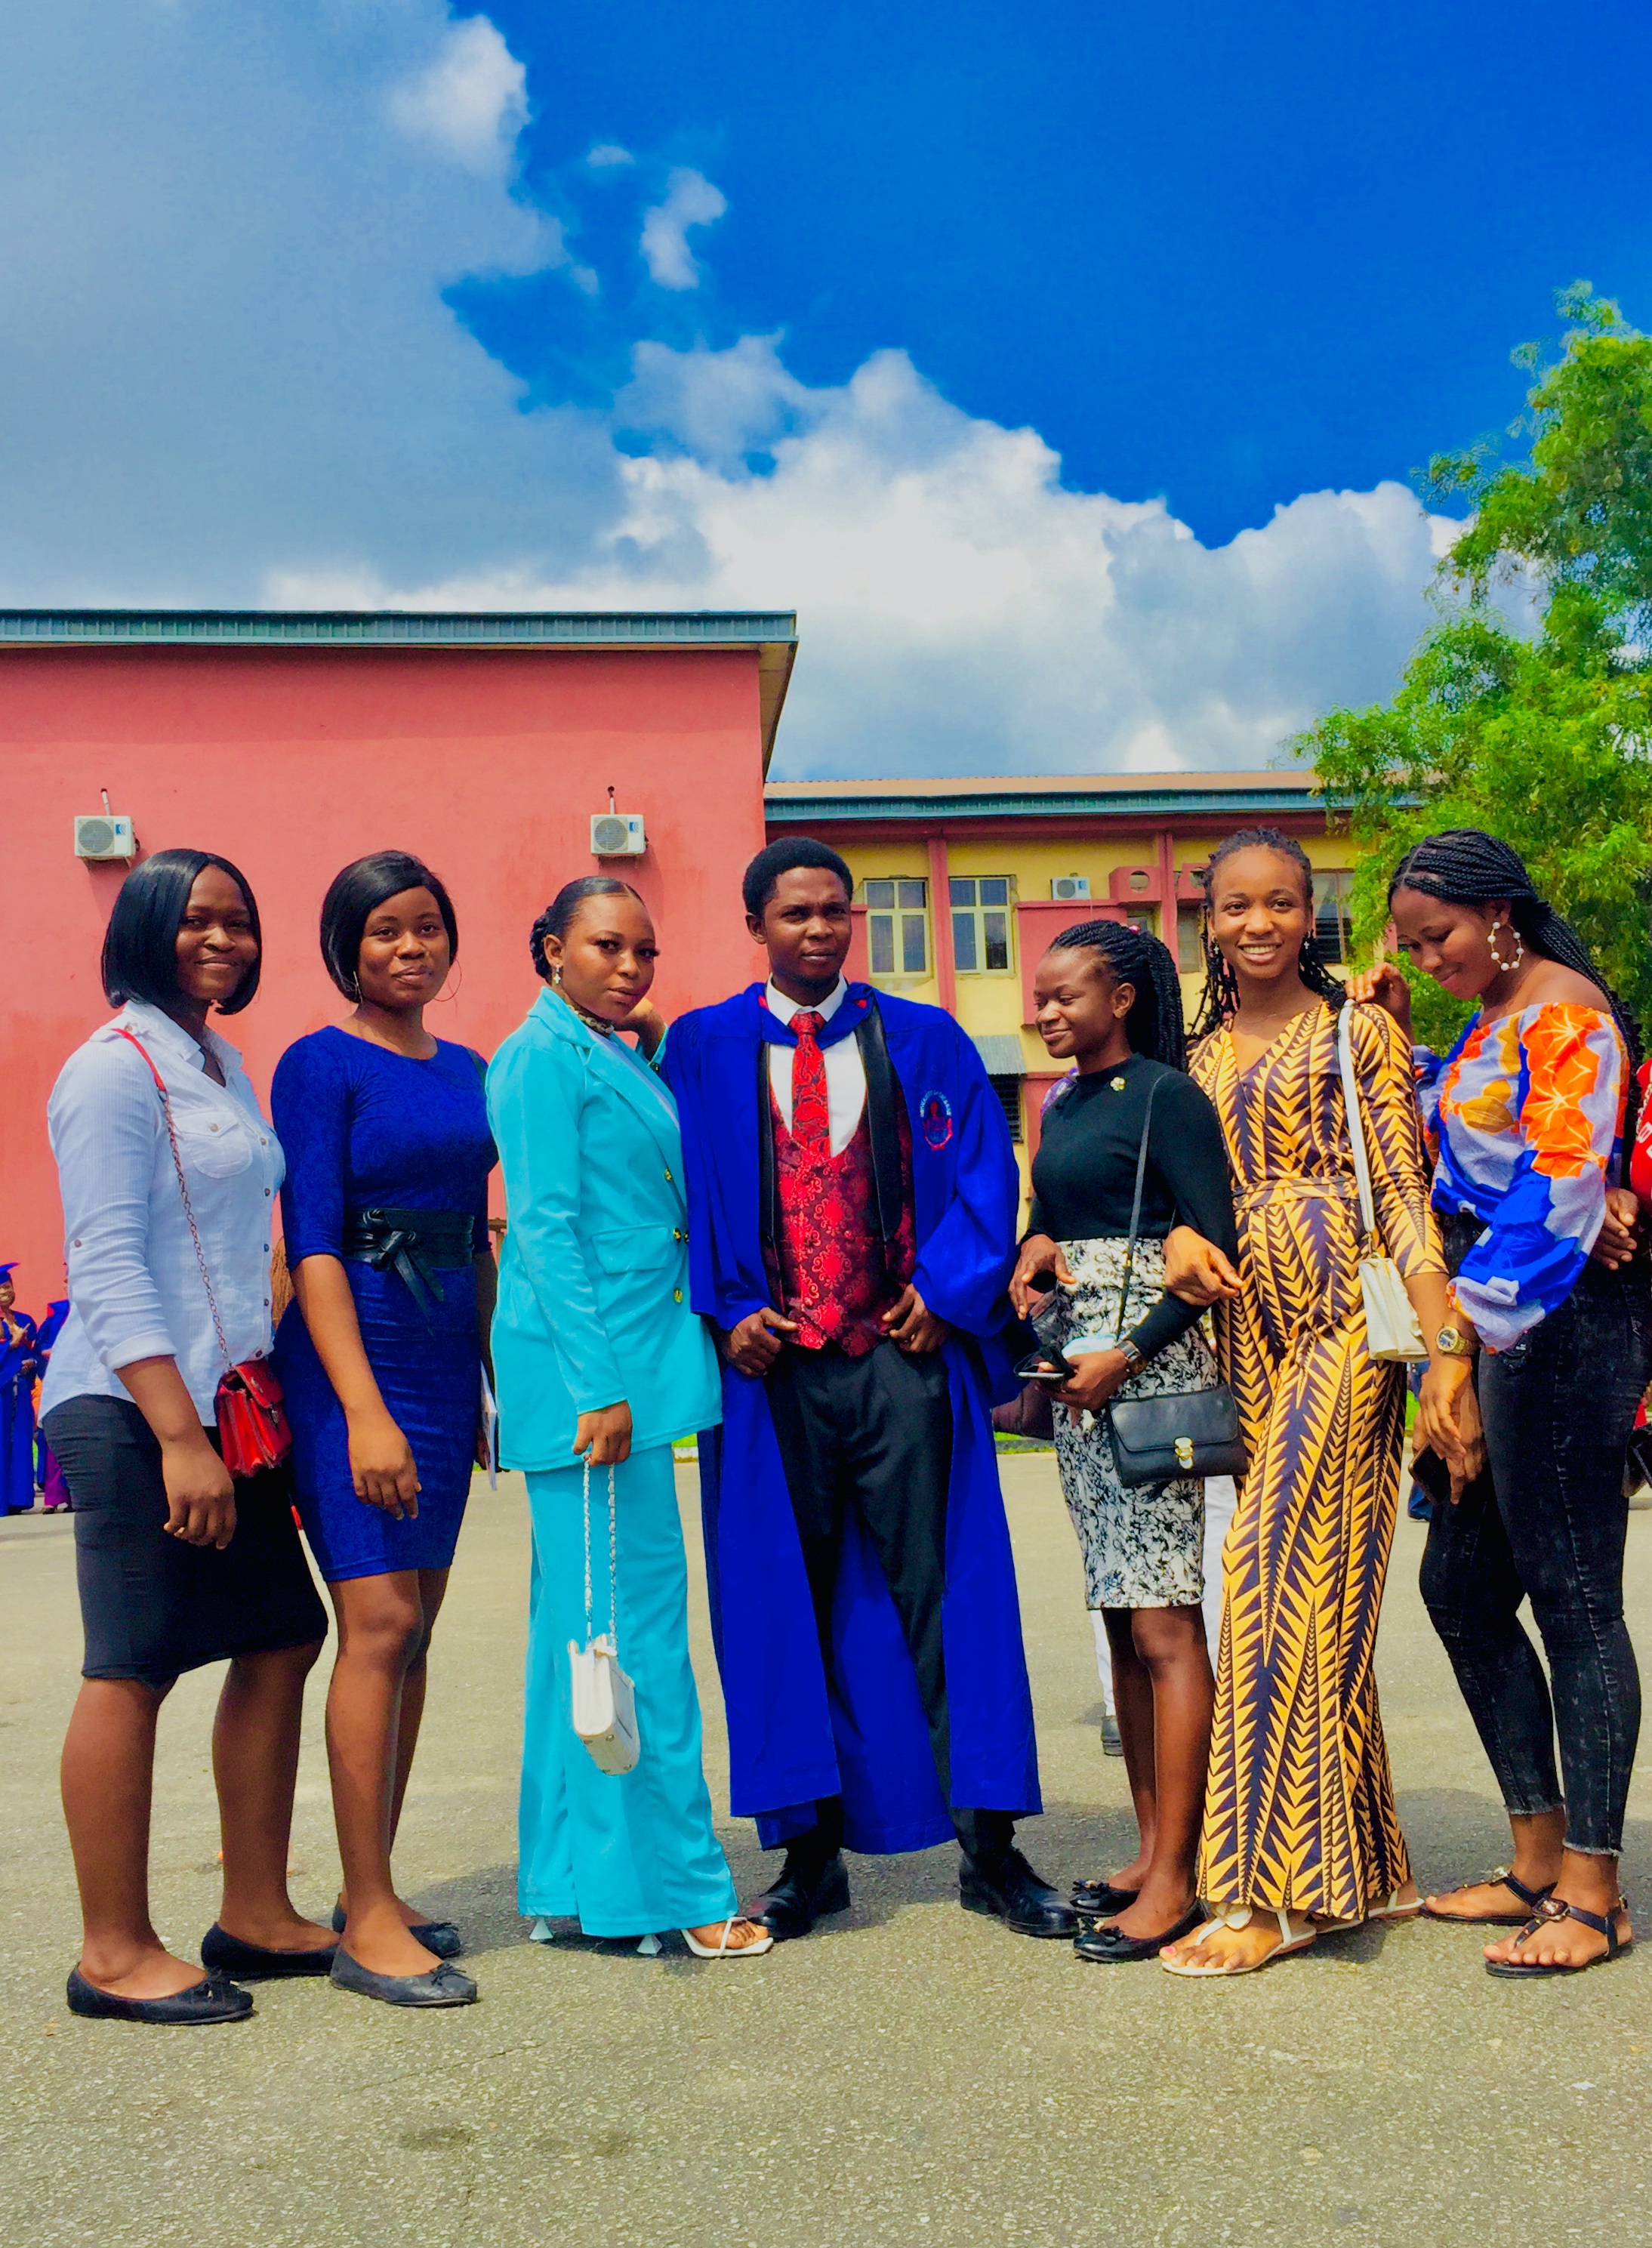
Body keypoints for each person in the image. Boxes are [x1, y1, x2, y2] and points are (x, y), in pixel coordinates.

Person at [664, 840, 1071, 1941]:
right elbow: (676, 1192)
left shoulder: (925, 1038)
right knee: (780, 1603)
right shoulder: (702, 1046)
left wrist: (946, 1293)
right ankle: (809, 1856)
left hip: (902, 1356)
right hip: (771, 1369)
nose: (819, 929)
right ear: (756, 925)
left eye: (835, 911)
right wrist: (725, 1308)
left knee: (950, 1594)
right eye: (795, 913)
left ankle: (990, 1848)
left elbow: (984, 1175)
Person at [1154, 828, 1460, 1977]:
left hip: (1346, 1324)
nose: (1260, 923)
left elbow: (1404, 1190)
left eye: (1281, 902)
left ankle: (1273, 1893)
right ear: (1210, 922)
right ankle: (1367, 1867)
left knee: (1267, 1577)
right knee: (1315, 1593)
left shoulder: (1356, 1030)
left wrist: (1442, 1350)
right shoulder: (1194, 1056)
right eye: (1237, 905)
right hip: (1247, 1335)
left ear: (1309, 914)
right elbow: (1182, 1195)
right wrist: (1180, 1235)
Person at [39, 850, 332, 2025]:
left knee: (283, 1633)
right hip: (133, 1404)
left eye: (240, 922)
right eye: (197, 919)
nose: (222, 939)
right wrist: (176, 1434)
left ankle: (255, 1912)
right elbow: (105, 1264)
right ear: (145, 929)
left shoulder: (221, 1061)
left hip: (230, 1402)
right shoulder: (112, 1068)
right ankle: (112, 1952)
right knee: (135, 1660)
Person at [1353, 828, 1650, 1976]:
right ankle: (1534, 1858)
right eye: (1411, 944)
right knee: (1464, 1590)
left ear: (1499, 913)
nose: (1427, 958)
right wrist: (1398, 1038)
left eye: (1438, 937)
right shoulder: (1498, 1014)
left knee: (1574, 1600)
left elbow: (1558, 1186)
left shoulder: (1566, 1011)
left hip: (1556, 1326)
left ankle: (1594, 1890)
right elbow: (1467, 1129)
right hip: (1492, 1329)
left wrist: (1456, 1352)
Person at [486, 877, 770, 1959]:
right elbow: (545, 1228)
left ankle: (577, 1879)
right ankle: (672, 1892)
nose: (630, 966)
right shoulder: (539, 1059)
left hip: (631, 1371)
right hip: (598, 1389)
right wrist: (598, 1386)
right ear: (550, 948)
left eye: (645, 951)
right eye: (606, 946)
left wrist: (640, 1036)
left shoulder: (597, 1050)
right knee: (632, 1640)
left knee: (582, 1636)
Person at [273, 852, 495, 2009]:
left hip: (446, 1365)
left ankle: (381, 1885)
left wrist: (491, 1379)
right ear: (345, 949)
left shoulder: (471, 1070)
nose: (411, 948)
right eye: (384, 931)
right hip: (353, 1358)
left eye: (427, 928)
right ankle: (362, 1922)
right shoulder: (319, 1062)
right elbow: (311, 1240)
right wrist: (363, 1408)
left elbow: (476, 1232)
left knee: (417, 1634)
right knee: (380, 1622)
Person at [1008, 920, 1237, 1963]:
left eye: (1064, 997)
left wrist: (1130, 1353)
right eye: (1040, 999)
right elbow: (1058, 1215)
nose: (1046, 1013)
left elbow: (1212, 1249)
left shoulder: (1166, 1096)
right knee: (1117, 1620)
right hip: (1080, 1381)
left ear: (1123, 998)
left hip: (1146, 1380)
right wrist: (1035, 1246)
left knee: (1164, 1627)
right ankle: (1150, 1851)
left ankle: (1180, 1876)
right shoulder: (1062, 1102)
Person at [0, 1264, 41, 1514]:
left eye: (7, 1287)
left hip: (21, 1388)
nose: (4, 1292)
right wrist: (9, 1347)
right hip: (2, 1389)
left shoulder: (25, 1321)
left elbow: (36, 1350)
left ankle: (18, 1498)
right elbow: (13, 1347)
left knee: (22, 1440)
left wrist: (32, 1362)